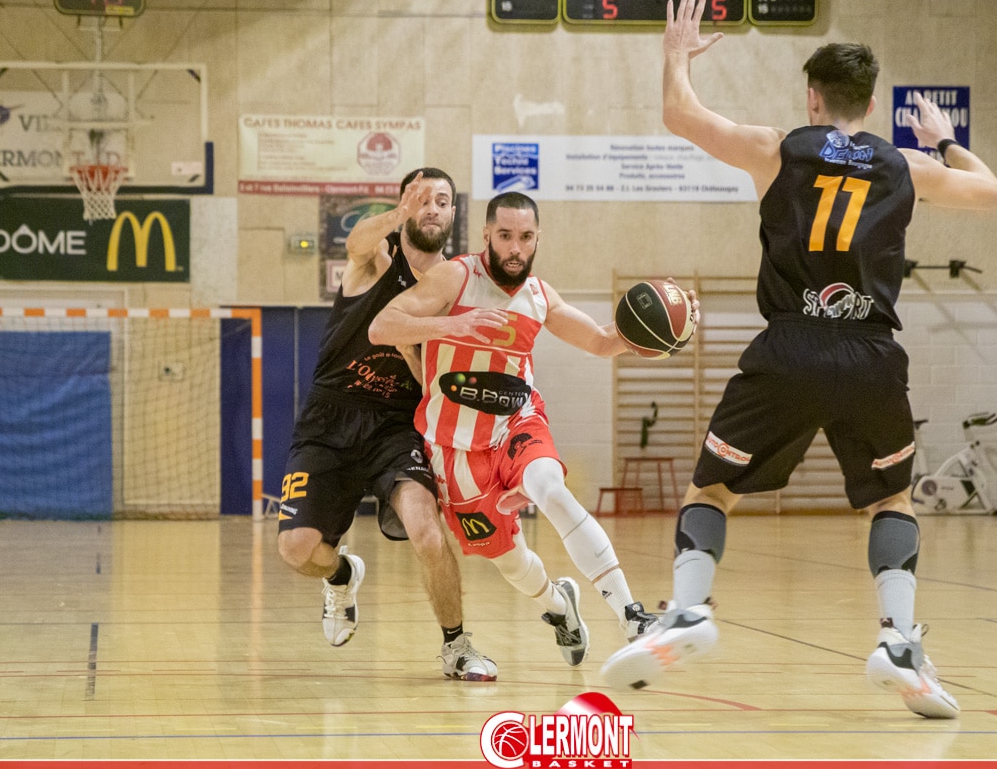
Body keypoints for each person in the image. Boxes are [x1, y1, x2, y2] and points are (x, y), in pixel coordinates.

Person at [601, 0, 997, 719]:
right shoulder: (905, 167)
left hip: (788, 346)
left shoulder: (777, 147)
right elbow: (991, 193)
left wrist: (675, 57)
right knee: (889, 497)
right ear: (871, 101)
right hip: (871, 352)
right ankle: (900, 643)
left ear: (812, 98)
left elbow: (680, 117)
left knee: (713, 491)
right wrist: (944, 139)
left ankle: (690, 613)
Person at [370, 191, 688, 666]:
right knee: (509, 559)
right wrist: (454, 326)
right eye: (504, 236)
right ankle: (560, 608)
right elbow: (382, 326)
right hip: (453, 447)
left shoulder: (539, 296)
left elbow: (603, 342)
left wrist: (671, 332)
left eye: (525, 237)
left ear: (537, 238)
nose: (515, 247)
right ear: (486, 236)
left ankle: (631, 615)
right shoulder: (455, 277)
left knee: (548, 485)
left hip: (516, 420)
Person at [276, 167, 498, 682]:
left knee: (425, 529)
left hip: (396, 426)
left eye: (443, 201)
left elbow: (435, 384)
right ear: (403, 206)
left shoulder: (453, 289)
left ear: (453, 214)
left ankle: (457, 645)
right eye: (423, 199)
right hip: (330, 418)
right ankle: (341, 574)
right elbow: (355, 241)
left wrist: (412, 353)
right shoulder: (375, 262)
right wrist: (398, 214)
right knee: (297, 549)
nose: (433, 209)